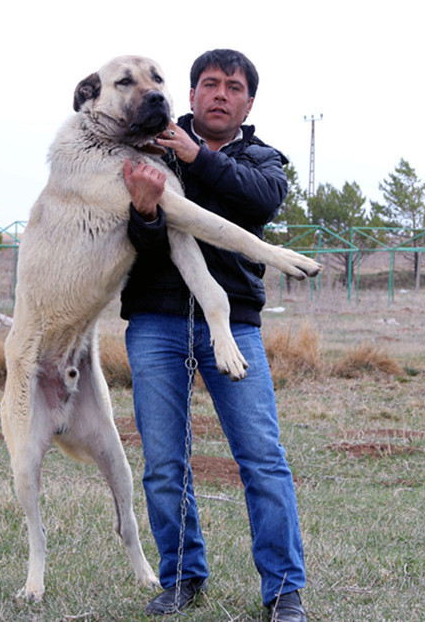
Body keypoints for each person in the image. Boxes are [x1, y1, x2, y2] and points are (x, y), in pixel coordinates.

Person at [121, 49, 308, 622]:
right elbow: (135, 243)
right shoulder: (147, 149)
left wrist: (196, 156)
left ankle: (283, 591)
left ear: (248, 103)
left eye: (233, 86)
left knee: (262, 459)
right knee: (163, 463)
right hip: (156, 319)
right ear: (191, 95)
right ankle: (182, 577)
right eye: (209, 84)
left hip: (235, 326)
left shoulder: (261, 159)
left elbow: (260, 202)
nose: (220, 93)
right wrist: (146, 213)